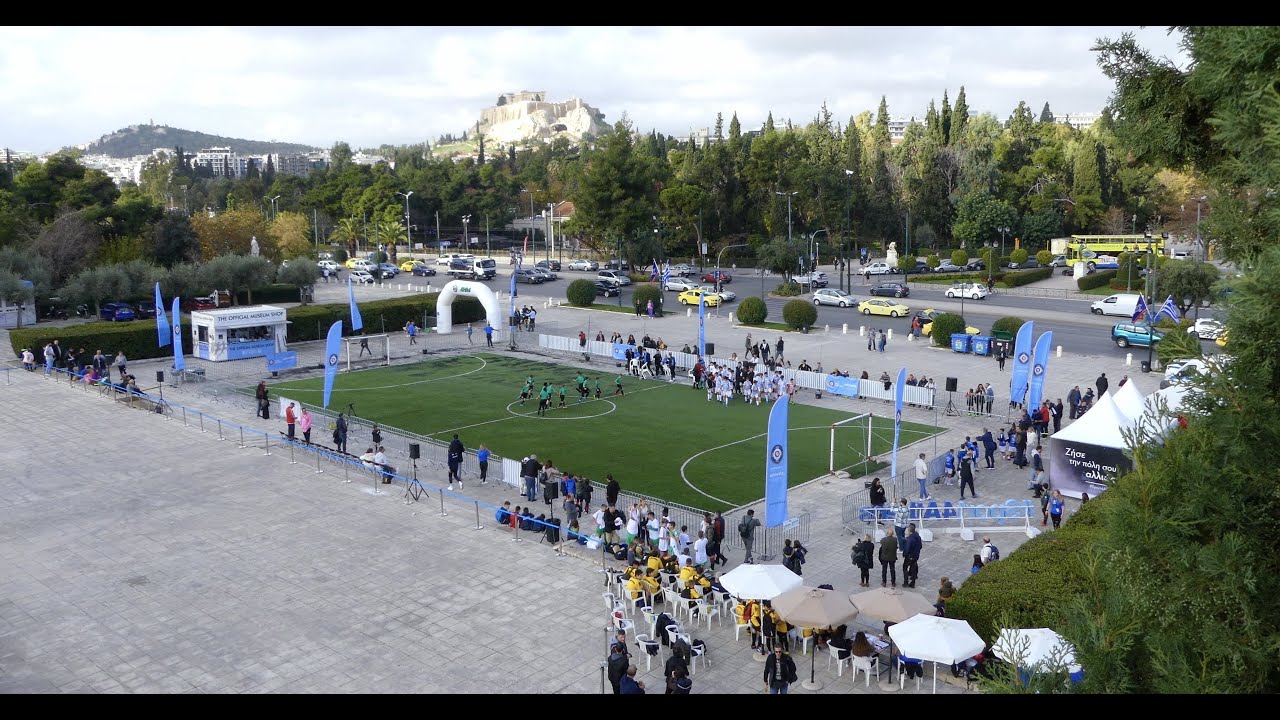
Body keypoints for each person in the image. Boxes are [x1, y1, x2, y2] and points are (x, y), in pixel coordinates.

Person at [901, 523, 922, 588]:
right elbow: (920, 546)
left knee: (905, 568)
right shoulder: (918, 536)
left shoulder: (910, 539)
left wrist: (904, 554)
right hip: (916, 555)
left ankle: (905, 582)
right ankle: (913, 583)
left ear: (909, 530)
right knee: (913, 568)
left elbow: (907, 549)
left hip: (910, 556)